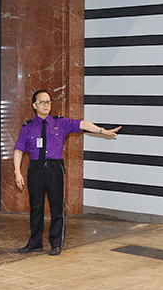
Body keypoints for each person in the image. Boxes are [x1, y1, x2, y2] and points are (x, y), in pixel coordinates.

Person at [13, 90, 121, 256]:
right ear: (34, 105)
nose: (46, 105)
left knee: (57, 207)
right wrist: (17, 172)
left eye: (48, 102)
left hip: (55, 169)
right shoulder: (27, 127)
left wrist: (102, 131)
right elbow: (19, 149)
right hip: (35, 170)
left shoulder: (60, 123)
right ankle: (35, 243)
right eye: (42, 102)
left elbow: (82, 124)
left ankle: (56, 243)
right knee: (36, 207)